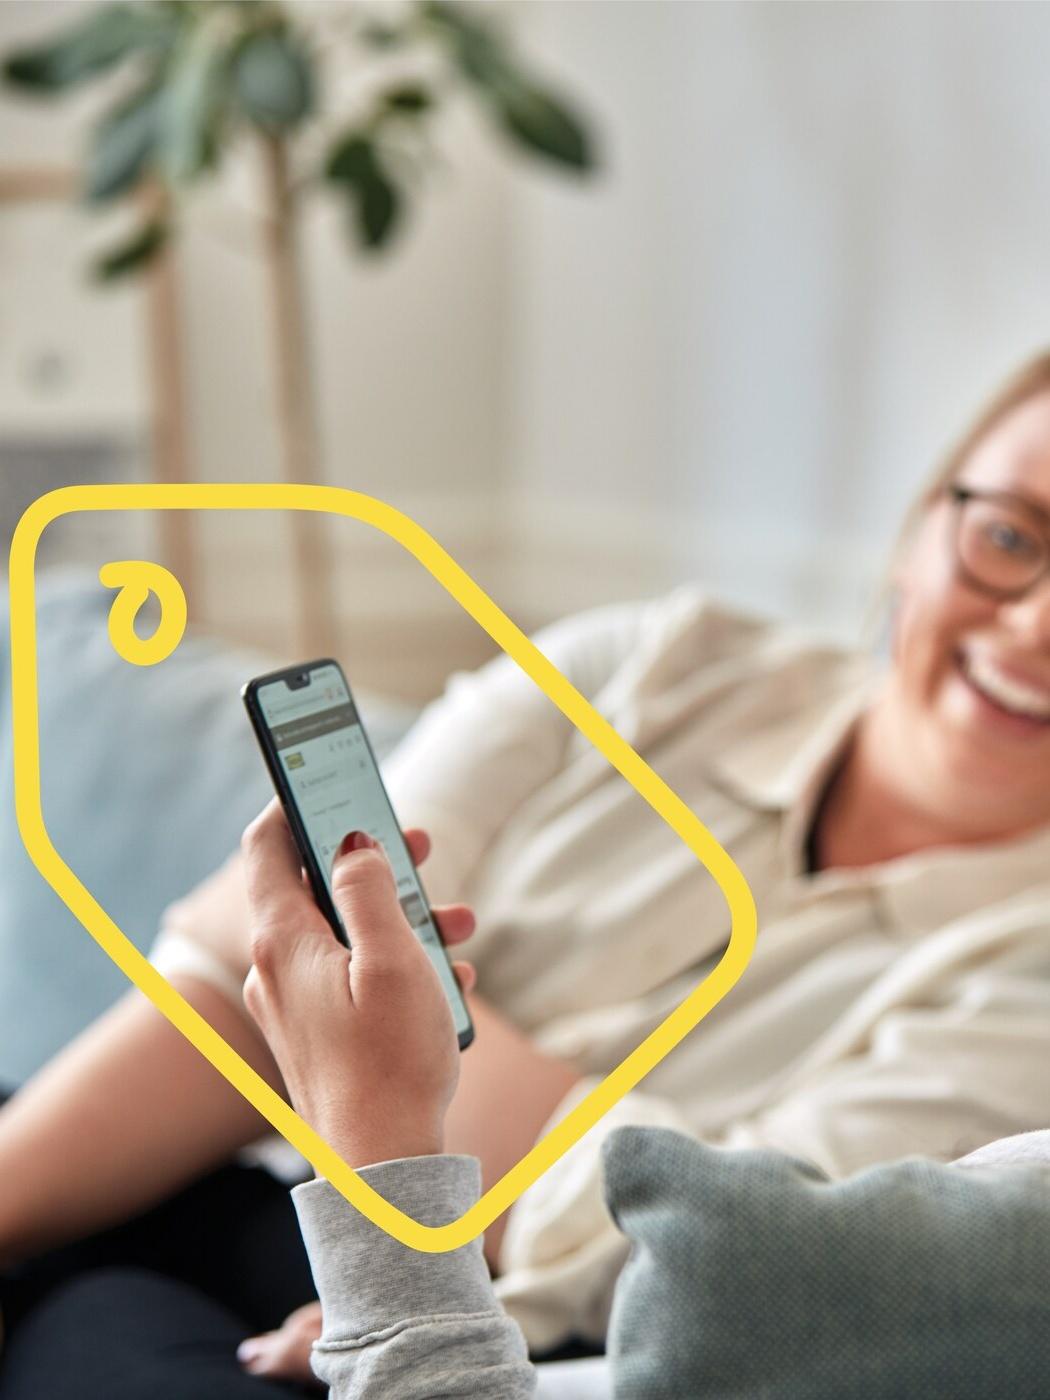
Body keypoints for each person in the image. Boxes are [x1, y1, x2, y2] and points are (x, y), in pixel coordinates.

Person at [2, 352, 1050, 1390]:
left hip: (500, 1324)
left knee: (95, 1302)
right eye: (1009, 536)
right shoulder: (653, 664)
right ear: (924, 524)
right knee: (65, 1244)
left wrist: (375, 1061)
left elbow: (708, 1250)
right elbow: (263, 946)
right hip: (243, 1189)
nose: (1034, 622)